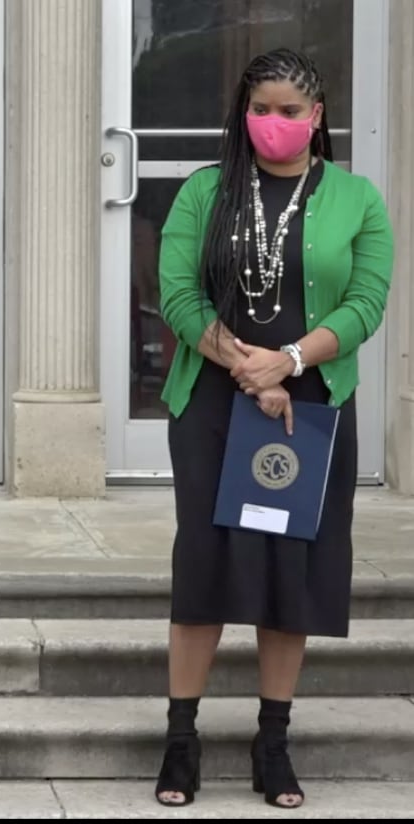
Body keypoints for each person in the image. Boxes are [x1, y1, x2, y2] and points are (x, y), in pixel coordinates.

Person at [154, 48, 394, 809]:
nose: (274, 123)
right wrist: (247, 372)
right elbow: (175, 292)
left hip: (312, 406)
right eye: (262, 107)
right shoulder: (203, 190)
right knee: (205, 563)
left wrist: (286, 363)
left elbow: (366, 302)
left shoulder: (357, 196)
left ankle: (273, 741)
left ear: (316, 118)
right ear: (242, 112)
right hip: (213, 407)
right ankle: (180, 739)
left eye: (290, 111)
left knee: (289, 568)